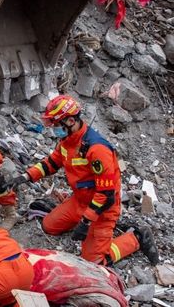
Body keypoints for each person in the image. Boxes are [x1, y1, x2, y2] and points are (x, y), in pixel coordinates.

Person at [10, 94, 159, 265]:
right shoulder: (67, 141)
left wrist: (86, 222)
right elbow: (51, 163)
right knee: (48, 226)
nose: (53, 129)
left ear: (71, 121)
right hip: (80, 200)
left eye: (56, 124)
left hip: (102, 210)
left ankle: (137, 238)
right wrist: (25, 177)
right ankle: (82, 224)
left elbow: (106, 194)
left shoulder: (97, 149)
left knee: (93, 262)